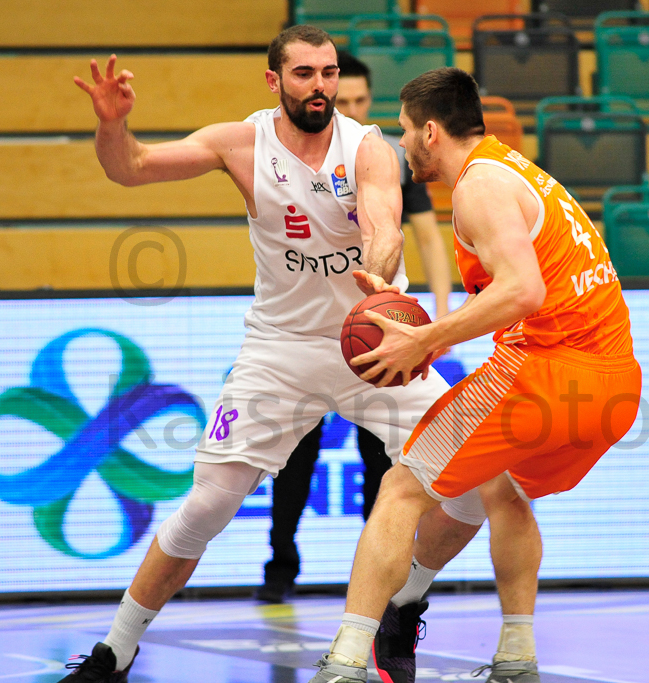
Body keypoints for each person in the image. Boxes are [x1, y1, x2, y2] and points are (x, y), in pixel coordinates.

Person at [58, 28, 484, 683]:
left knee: (478, 484)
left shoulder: (366, 145)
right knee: (205, 506)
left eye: (329, 73)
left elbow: (383, 224)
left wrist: (377, 274)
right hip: (280, 351)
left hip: (375, 342)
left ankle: (403, 603)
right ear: (274, 80)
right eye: (305, 73)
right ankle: (115, 648)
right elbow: (130, 168)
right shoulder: (240, 143)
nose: (320, 86)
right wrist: (114, 126)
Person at [308, 68, 643, 683]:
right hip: (615, 385)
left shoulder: (477, 187)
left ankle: (348, 659)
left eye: (406, 131)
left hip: (544, 371)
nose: (401, 143)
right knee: (503, 489)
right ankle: (512, 655)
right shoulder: (517, 171)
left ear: (431, 132)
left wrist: (427, 339)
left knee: (401, 487)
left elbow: (522, 290)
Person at [255, 51, 453, 605]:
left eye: (364, 100)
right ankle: (280, 563)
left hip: (373, 330)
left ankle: (376, 577)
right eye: (352, 100)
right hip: (306, 336)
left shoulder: (383, 157)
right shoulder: (296, 158)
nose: (357, 109)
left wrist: (435, 315)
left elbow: (424, 237)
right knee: (294, 462)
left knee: (383, 466)